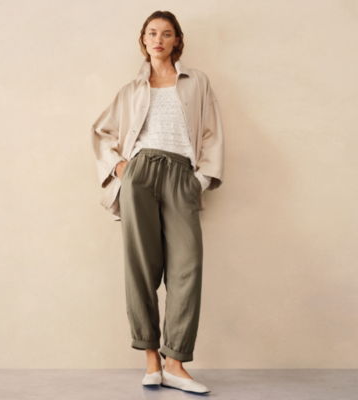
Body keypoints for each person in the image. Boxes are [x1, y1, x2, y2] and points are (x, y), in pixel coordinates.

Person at [91, 10, 224, 394]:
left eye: (167, 33)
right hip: (141, 173)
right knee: (141, 267)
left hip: (182, 174)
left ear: (177, 40)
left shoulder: (197, 82)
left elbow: (212, 132)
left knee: (187, 267)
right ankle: (151, 358)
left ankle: (175, 362)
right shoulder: (131, 90)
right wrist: (120, 167)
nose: (159, 40)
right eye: (152, 33)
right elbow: (102, 133)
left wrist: (200, 180)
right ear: (143, 40)